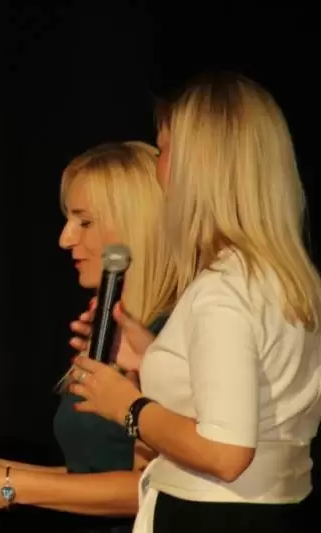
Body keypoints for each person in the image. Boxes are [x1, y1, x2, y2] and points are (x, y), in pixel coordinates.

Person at [69, 72, 321, 533]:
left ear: (198, 168)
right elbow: (254, 400)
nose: (158, 169)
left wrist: (127, 405)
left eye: (164, 152)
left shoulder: (224, 290)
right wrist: (151, 354)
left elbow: (226, 454)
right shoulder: (284, 278)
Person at [0, 141, 177, 532]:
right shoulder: (112, 337)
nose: (65, 239)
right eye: (68, 220)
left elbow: (150, 487)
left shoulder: (168, 339)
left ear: (136, 226)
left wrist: (13, 487)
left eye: (85, 222)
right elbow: (99, 473)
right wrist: (5, 471)